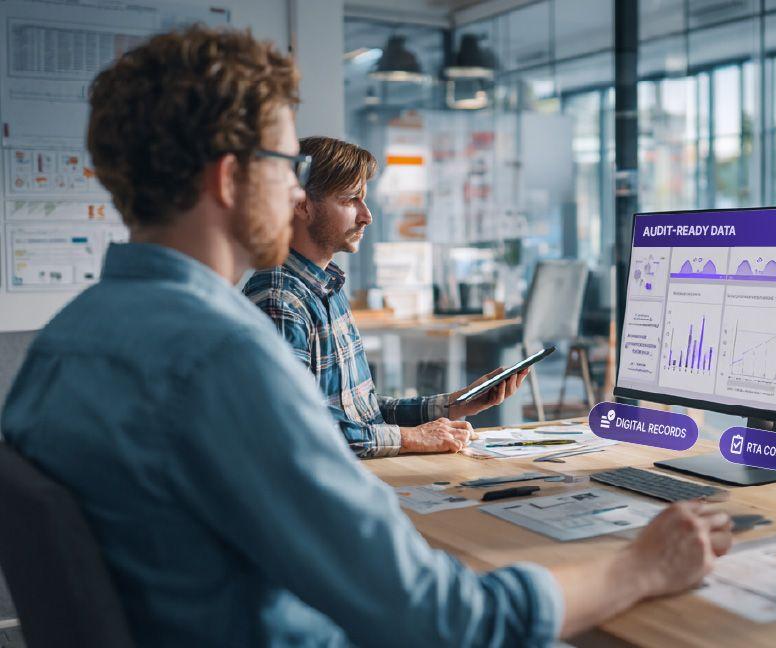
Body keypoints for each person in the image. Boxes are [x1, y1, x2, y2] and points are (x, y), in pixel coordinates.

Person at [0, 26, 732, 647]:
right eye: (289, 167)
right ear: (229, 180)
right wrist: (638, 566)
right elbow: (438, 621)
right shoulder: (221, 356)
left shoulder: (68, 340)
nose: (296, 192)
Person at [244, 136, 516, 458]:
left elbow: (362, 414)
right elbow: (297, 428)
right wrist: (411, 439)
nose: (367, 216)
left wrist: (454, 405)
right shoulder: (280, 302)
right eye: (350, 200)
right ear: (302, 204)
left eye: (364, 200)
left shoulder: (326, 287)